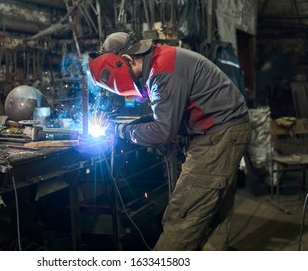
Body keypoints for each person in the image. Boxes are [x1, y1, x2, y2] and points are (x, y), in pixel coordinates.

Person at [88, 31, 251, 251]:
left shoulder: (161, 72)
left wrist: (122, 131)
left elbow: (164, 131)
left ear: (126, 59)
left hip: (218, 136)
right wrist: (141, 122)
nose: (135, 82)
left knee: (182, 217)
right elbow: (167, 114)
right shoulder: (160, 59)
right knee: (212, 215)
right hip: (226, 131)